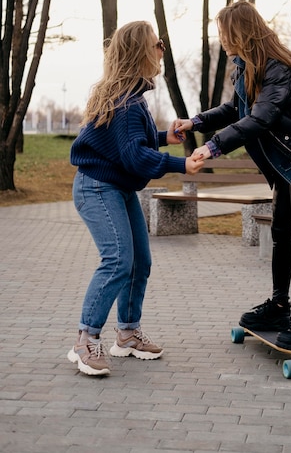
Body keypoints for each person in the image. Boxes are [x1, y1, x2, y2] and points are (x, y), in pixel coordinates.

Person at [174, 0, 291, 353]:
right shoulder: (247, 68)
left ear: (239, 33)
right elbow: (236, 109)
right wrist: (196, 123)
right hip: (284, 163)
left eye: (223, 33)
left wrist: (213, 147)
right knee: (280, 234)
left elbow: (260, 119)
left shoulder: (277, 69)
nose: (221, 39)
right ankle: (279, 308)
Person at [68, 21, 204, 376]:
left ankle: (127, 333)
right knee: (117, 260)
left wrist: (164, 137)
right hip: (97, 187)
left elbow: (128, 144)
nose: (162, 50)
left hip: (115, 187)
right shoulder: (127, 102)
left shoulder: (130, 97)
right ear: (142, 51)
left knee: (139, 262)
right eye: (158, 44)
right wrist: (181, 164)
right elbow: (134, 156)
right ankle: (86, 338)